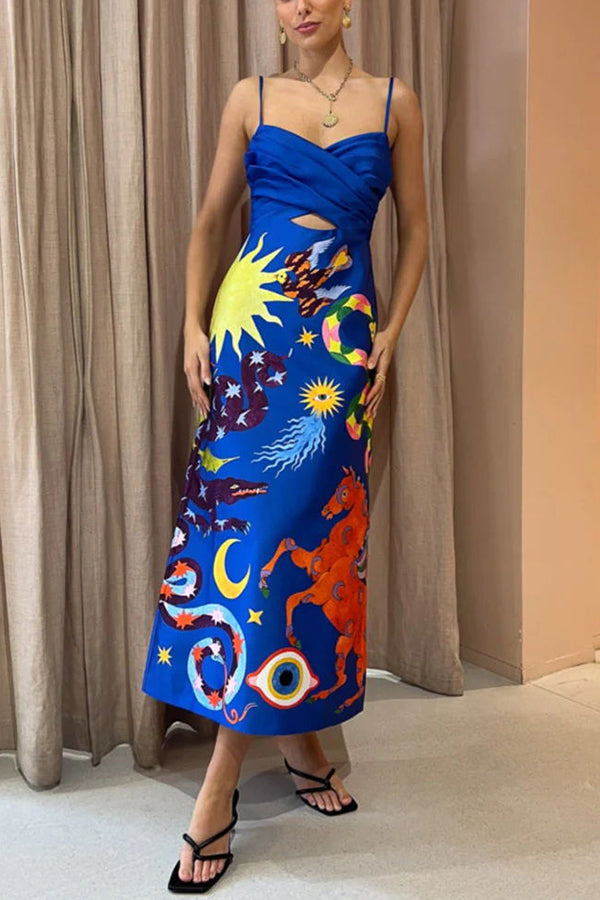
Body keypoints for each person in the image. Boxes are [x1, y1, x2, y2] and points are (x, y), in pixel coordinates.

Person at [141, 0, 428, 892]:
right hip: (251, 339)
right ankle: (285, 746)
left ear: (347, 6)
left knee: (300, 537)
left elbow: (417, 230)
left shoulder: (396, 103)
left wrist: (392, 334)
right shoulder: (250, 97)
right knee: (249, 537)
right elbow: (210, 220)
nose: (299, 4)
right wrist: (192, 325)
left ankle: (228, 779)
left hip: (339, 349)